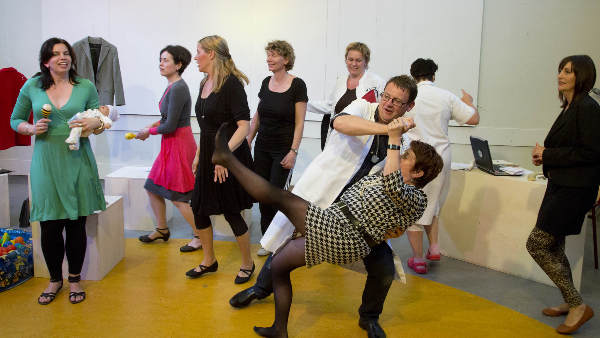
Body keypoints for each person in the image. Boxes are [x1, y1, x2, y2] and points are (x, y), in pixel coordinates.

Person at [213, 116, 441, 337]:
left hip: (344, 234)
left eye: (407, 156)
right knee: (279, 267)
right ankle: (279, 329)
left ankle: (227, 159)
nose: (400, 156)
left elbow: (392, 186)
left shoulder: (415, 197)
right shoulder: (389, 180)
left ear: (418, 173)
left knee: (279, 197)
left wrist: (393, 138)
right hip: (335, 225)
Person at [10, 37, 106, 305]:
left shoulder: (85, 86)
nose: (63, 57)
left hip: (78, 160)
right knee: (49, 225)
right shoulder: (32, 85)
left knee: (76, 225)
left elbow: (100, 122)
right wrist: (30, 129)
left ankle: (74, 279)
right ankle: (55, 280)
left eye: (66, 53)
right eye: (56, 54)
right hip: (46, 162)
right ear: (45, 61)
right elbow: (14, 119)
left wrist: (95, 123)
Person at [527, 55, 599, 335]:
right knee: (554, 246)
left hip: (576, 189)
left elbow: (592, 153)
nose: (561, 75)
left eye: (568, 71)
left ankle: (579, 306)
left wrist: (549, 154)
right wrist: (545, 158)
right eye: (560, 69)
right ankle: (570, 301)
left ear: (582, 76)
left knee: (537, 244)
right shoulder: (571, 107)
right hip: (561, 184)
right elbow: (571, 149)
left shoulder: (588, 108)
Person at [188, 35, 255, 283]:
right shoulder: (204, 82)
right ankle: (209, 260)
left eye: (198, 52)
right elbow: (205, 126)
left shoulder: (231, 85)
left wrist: (222, 156)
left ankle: (247, 264)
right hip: (208, 153)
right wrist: (198, 155)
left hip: (227, 155)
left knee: (231, 210)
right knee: (199, 207)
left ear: (212, 54)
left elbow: (243, 126)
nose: (195, 57)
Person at [403, 58, 479, 274]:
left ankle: (418, 259)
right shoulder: (446, 96)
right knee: (433, 204)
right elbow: (473, 118)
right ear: (433, 75)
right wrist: (469, 101)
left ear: (413, 76)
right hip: (441, 159)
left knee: (412, 209)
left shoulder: (410, 97)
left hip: (415, 158)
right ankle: (434, 248)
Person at [135, 45, 200, 252]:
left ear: (178, 65)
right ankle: (162, 229)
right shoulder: (172, 86)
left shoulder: (179, 87)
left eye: (166, 60)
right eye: (160, 59)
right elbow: (167, 119)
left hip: (179, 144)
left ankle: (199, 236)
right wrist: (153, 126)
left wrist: (149, 132)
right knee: (152, 187)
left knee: (179, 197)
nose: (161, 64)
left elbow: (171, 125)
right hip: (171, 143)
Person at [246, 40, 307, 256]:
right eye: (268, 55)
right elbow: (259, 114)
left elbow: (300, 122)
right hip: (262, 147)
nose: (269, 59)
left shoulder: (297, 85)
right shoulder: (265, 82)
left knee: (275, 195)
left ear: (286, 59)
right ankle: (267, 241)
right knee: (262, 195)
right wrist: (249, 138)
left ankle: (281, 238)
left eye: (274, 55)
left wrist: (293, 151)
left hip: (283, 149)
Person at [307, 42, 384, 150]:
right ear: (346, 60)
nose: (354, 64)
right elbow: (330, 106)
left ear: (366, 61)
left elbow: (382, 111)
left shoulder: (377, 82)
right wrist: (304, 104)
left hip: (361, 141)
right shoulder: (340, 81)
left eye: (358, 60)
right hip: (337, 141)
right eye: (350, 59)